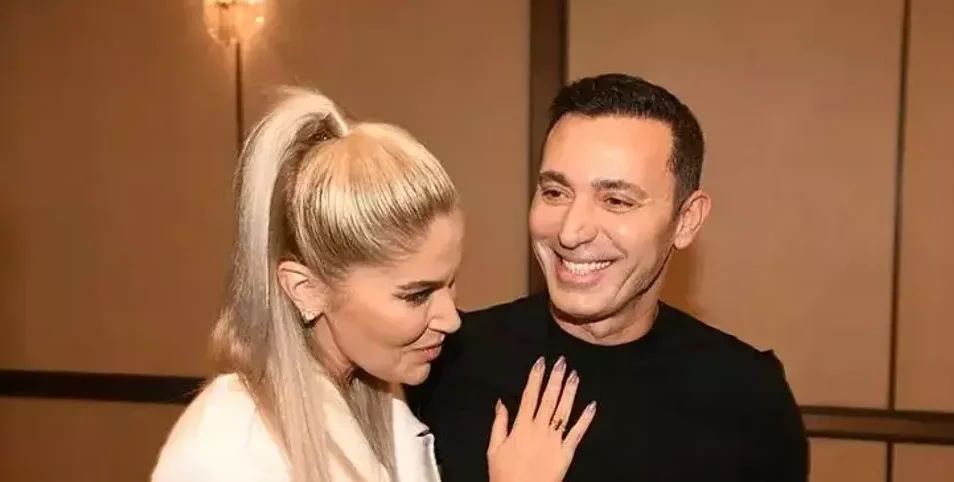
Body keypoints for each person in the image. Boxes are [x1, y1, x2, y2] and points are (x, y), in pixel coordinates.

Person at [150, 88, 596, 482]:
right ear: (305, 289)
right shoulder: (230, 448)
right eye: (416, 295)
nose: (451, 319)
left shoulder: (387, 408)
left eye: (450, 283)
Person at [407, 73, 810, 481]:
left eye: (616, 200)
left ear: (687, 220)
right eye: (555, 193)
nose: (571, 232)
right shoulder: (439, 361)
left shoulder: (747, 396)